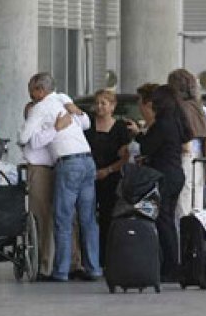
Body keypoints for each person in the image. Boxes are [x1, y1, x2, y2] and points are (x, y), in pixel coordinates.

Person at [19, 72, 101, 282]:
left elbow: (24, 138)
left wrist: (53, 129)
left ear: (40, 90)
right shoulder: (63, 99)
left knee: (63, 219)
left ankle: (61, 271)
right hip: (88, 161)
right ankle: (93, 268)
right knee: (88, 219)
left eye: (32, 90)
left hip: (68, 162)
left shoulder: (40, 107)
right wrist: (75, 114)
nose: (30, 96)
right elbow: (85, 124)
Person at [126, 84, 192, 282]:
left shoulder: (162, 123)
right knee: (168, 220)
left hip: (164, 175)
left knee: (163, 221)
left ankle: (170, 267)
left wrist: (137, 133)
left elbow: (147, 146)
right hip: (175, 174)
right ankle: (172, 264)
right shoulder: (175, 121)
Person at [21, 99, 86, 280]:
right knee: (43, 218)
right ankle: (45, 265)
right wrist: (55, 128)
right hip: (40, 169)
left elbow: (81, 126)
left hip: (61, 167)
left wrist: (75, 113)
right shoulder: (34, 131)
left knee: (68, 216)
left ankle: (74, 263)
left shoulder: (57, 124)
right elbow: (34, 143)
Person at [83, 89, 131, 266]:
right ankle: (90, 258)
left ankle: (109, 258)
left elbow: (125, 156)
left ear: (112, 106)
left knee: (109, 217)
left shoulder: (119, 128)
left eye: (104, 103)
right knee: (87, 217)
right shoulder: (88, 126)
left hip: (112, 177)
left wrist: (109, 170)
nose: (99, 107)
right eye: (97, 103)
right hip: (90, 176)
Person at [167, 69, 206, 218]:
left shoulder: (180, 107)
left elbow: (183, 137)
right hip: (200, 155)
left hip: (185, 154)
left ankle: (183, 237)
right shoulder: (198, 106)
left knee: (183, 200)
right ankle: (196, 236)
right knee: (197, 199)